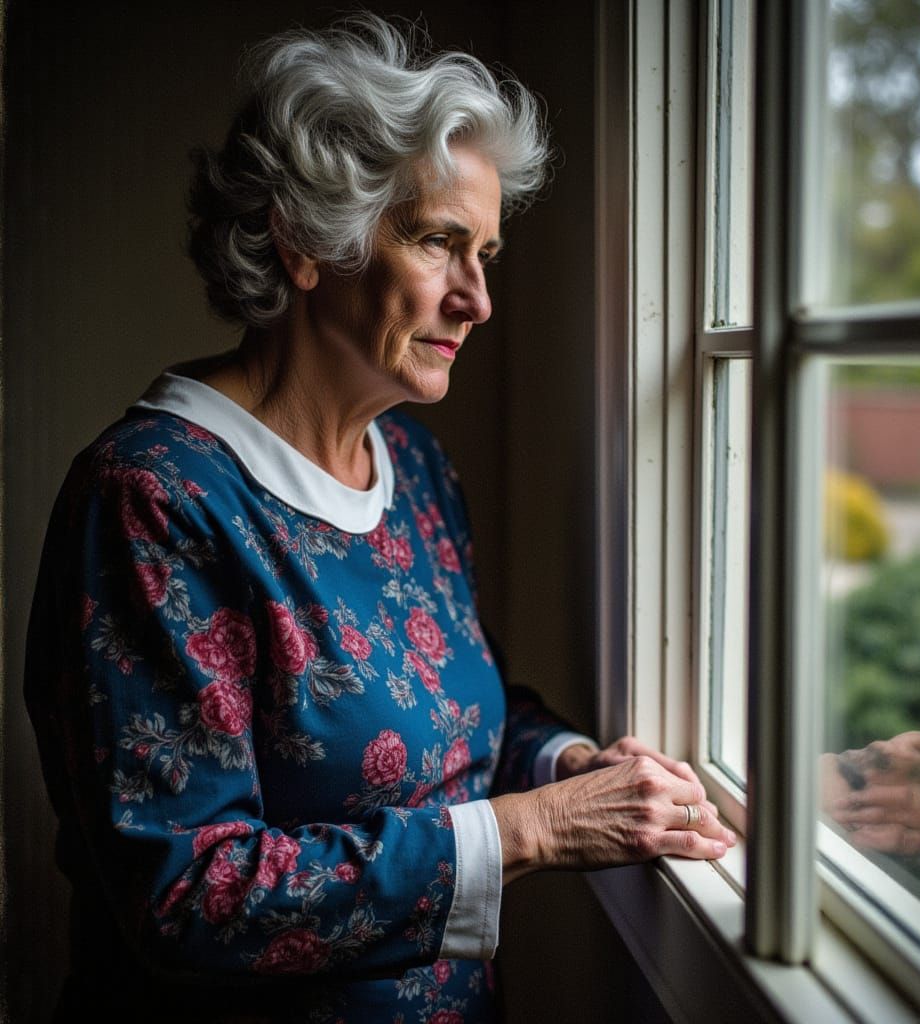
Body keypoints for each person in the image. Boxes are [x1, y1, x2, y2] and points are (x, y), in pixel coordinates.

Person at [24, 16, 735, 1023]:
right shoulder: (152, 495)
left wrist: (570, 766)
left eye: (484, 250)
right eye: (441, 241)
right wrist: (530, 829)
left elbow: (449, 721)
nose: (478, 298)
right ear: (307, 241)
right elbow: (187, 894)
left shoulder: (415, 469)